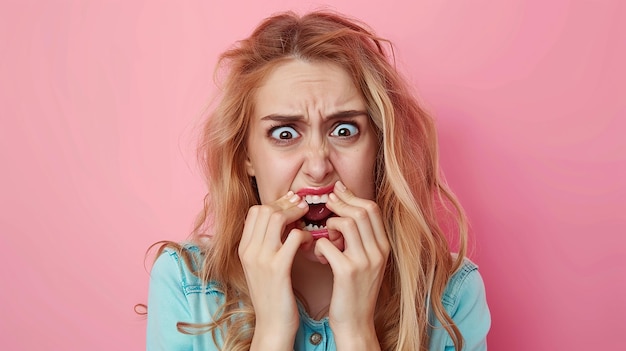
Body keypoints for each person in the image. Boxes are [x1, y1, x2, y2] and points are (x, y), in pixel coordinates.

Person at [145, 10, 490, 351]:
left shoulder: (452, 293)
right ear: (246, 155)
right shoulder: (185, 283)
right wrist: (273, 331)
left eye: (344, 130)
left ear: (379, 148)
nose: (318, 165)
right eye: (284, 133)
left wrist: (356, 332)